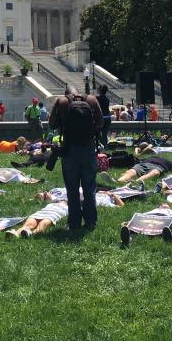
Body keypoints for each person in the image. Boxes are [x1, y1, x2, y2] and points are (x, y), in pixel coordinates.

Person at [48, 86, 103, 232]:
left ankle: (74, 223)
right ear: (78, 92)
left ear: (66, 94)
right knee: (89, 187)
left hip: (69, 149)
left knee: (72, 189)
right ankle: (91, 222)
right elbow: (100, 123)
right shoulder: (91, 100)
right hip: (89, 148)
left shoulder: (62, 101)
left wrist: (65, 122)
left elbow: (51, 124)